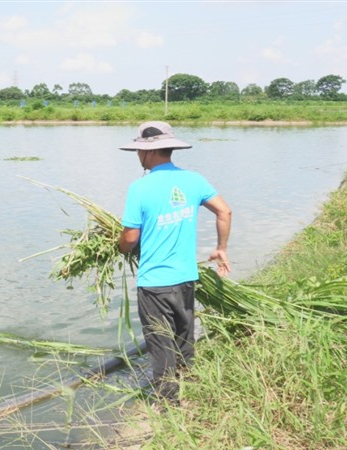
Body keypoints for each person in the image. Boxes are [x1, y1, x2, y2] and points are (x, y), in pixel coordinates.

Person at [117, 121, 232, 406]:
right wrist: (221, 249)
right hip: (185, 278)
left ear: (149, 153)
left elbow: (130, 238)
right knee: (184, 337)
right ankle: (189, 391)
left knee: (160, 344)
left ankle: (168, 406)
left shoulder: (140, 188)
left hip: (155, 283)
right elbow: (224, 211)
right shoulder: (193, 180)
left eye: (139, 151)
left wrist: (120, 247)